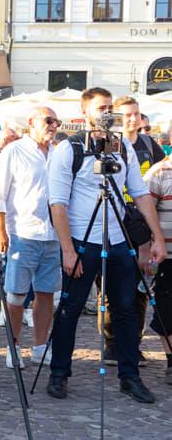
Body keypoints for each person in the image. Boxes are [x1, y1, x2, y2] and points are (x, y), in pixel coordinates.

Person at [47, 87, 166, 403]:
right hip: (82, 238)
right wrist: (67, 250)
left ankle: (130, 377)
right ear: (85, 112)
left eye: (110, 107)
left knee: (126, 309)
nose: (107, 113)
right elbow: (57, 203)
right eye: (101, 108)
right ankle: (59, 373)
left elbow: (140, 193)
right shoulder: (70, 149)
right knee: (71, 308)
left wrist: (156, 237)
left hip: (117, 238)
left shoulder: (122, 146)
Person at [0, 107, 62, 369]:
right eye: (48, 120)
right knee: (16, 294)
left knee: (47, 293)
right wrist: (0, 229)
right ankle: (14, 346)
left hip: (52, 233)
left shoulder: (58, 152)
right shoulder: (14, 150)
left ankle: (40, 347)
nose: (53, 125)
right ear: (32, 122)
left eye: (56, 122)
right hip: (22, 231)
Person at [106, 96, 165, 366]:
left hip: (141, 223)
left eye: (136, 114)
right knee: (111, 288)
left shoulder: (148, 145)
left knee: (141, 287)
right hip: (113, 221)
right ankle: (112, 344)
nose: (133, 119)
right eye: (127, 114)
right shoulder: (109, 144)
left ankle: (133, 343)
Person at [142, 153, 172, 385]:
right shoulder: (159, 173)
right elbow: (144, 214)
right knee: (167, 310)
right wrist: (145, 250)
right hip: (167, 256)